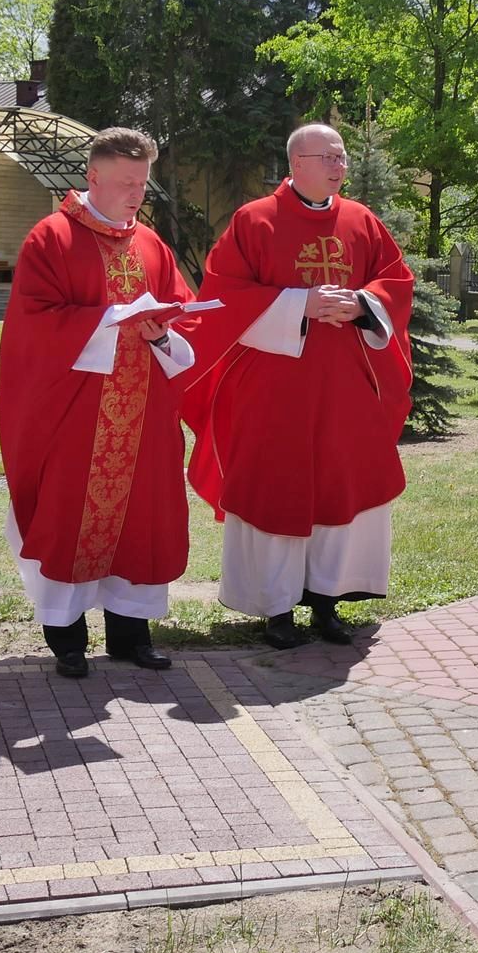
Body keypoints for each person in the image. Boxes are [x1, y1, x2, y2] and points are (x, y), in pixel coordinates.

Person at [180, 123, 413, 649]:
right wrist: (297, 304)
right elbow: (222, 296)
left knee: (337, 485)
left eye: (342, 156)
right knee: (277, 489)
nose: (339, 166)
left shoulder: (361, 220)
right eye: (328, 157)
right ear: (296, 163)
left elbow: (396, 281)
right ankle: (276, 609)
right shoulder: (254, 220)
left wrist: (362, 304)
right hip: (274, 389)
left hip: (343, 388)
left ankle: (328, 601)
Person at [0, 127, 196, 679]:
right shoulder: (51, 238)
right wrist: (111, 319)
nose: (136, 194)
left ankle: (131, 634)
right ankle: (66, 637)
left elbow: (182, 313)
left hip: (143, 416)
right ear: (93, 176)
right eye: (126, 182)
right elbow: (34, 324)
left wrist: (160, 333)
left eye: (143, 183)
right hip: (77, 416)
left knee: (140, 522)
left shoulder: (151, 244)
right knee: (69, 518)